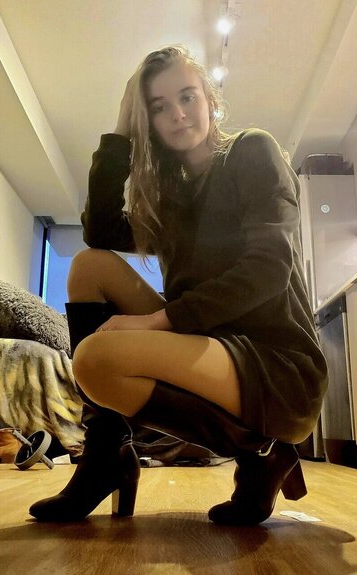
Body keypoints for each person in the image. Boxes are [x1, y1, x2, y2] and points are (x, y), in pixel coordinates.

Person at [30, 45, 328, 525]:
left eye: (187, 97)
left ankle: (263, 454)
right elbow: (100, 232)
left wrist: (156, 320)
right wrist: (121, 132)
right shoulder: (172, 197)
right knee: (89, 267)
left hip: (275, 365)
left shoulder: (252, 151)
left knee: (95, 362)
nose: (178, 114)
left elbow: (269, 268)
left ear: (210, 98)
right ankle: (106, 455)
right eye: (159, 106)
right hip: (209, 341)